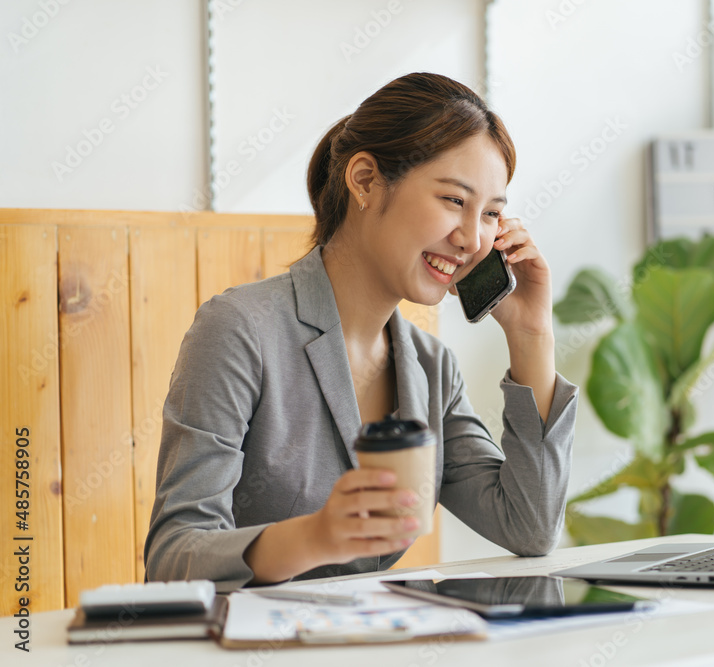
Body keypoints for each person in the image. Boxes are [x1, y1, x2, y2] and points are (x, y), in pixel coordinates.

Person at [143, 72, 579, 591]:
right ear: (366, 181)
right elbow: (173, 557)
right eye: (454, 201)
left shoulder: (430, 368)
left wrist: (532, 337)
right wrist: (316, 537)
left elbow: (530, 526)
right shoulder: (240, 330)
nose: (471, 239)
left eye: (491, 214)